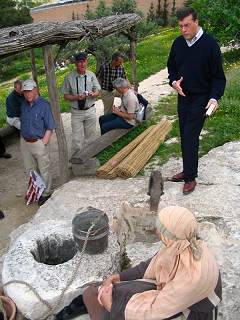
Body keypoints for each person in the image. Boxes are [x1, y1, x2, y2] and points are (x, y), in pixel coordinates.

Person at [82, 206, 222, 320]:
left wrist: (111, 306)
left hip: (191, 309)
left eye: (160, 229)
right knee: (94, 292)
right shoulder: (179, 242)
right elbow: (151, 264)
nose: (156, 231)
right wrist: (117, 277)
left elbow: (156, 310)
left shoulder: (192, 276)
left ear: (170, 235)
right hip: (173, 292)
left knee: (109, 307)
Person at [167, 7, 226, 194]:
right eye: (180, 26)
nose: (183, 30)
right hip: (183, 97)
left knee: (190, 136)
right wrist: (174, 82)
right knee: (185, 134)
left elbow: (219, 77)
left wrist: (214, 97)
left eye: (187, 25)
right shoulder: (177, 43)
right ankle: (188, 169)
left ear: (196, 22)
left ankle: (190, 178)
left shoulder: (210, 45)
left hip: (201, 98)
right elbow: (172, 68)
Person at [20, 79, 56, 206]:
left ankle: (46, 193)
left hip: (38, 142)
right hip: (25, 142)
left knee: (44, 169)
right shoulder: (24, 104)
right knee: (30, 169)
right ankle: (36, 190)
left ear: (35, 90)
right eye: (25, 92)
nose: (27, 94)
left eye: (29, 91)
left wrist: (43, 143)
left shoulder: (44, 105)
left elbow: (50, 126)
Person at [61, 52, 101, 155]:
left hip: (90, 109)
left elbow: (97, 90)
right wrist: (77, 97)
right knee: (77, 139)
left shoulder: (91, 75)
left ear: (86, 62)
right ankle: (75, 161)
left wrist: (93, 94)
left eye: (84, 61)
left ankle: (90, 156)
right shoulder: (69, 77)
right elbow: (65, 96)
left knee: (90, 137)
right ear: (75, 64)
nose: (82, 64)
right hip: (77, 112)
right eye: (79, 62)